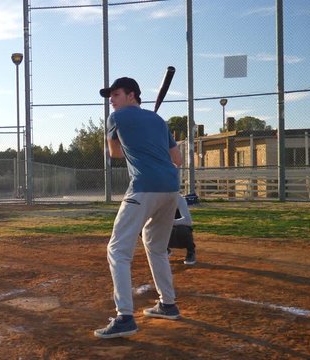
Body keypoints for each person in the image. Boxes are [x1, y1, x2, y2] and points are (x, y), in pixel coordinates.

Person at [94, 77, 183, 339]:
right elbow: (176, 159)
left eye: (116, 94)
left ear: (132, 95)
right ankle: (168, 304)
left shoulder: (116, 119)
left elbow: (115, 154)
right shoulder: (158, 120)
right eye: (110, 96)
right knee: (155, 247)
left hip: (144, 186)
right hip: (171, 188)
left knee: (118, 250)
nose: (111, 100)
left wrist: (129, 138)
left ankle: (125, 317)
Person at [168, 194, 196, 265]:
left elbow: (188, 221)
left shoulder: (179, 199)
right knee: (142, 228)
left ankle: (190, 251)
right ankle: (163, 250)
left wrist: (169, 222)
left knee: (183, 230)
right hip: (161, 227)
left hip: (175, 227)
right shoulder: (153, 199)